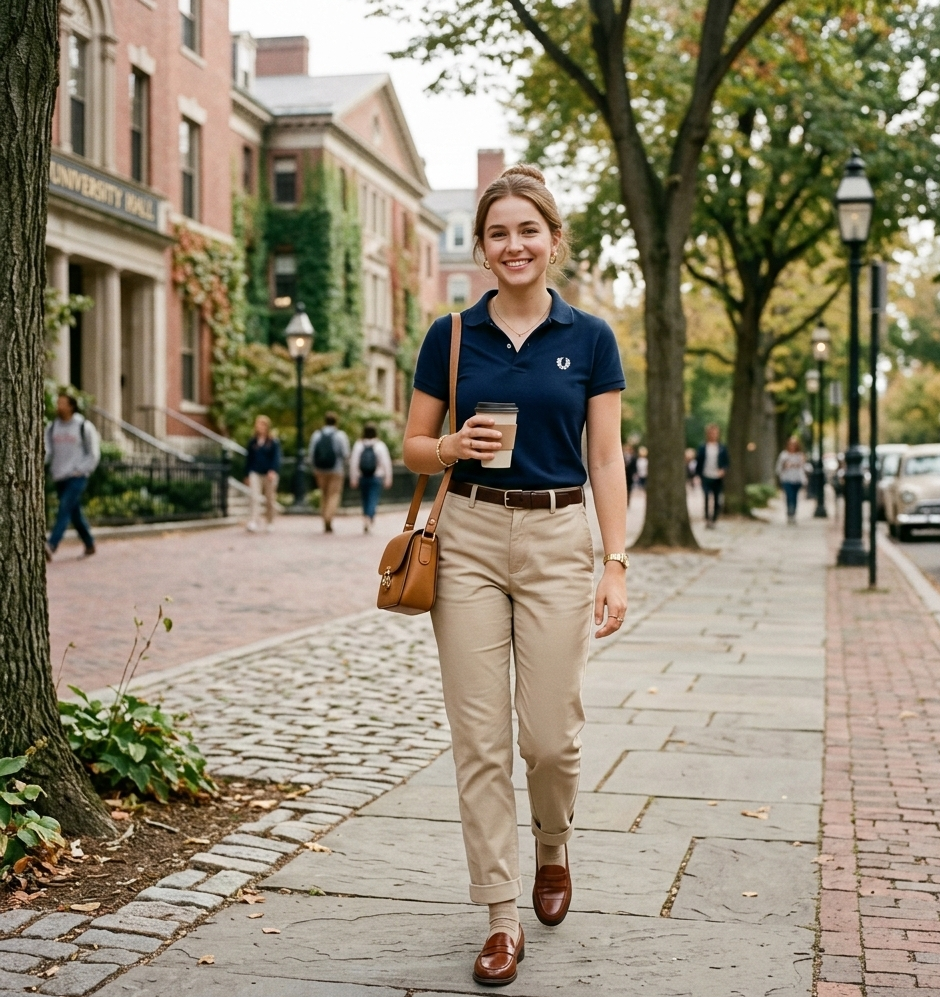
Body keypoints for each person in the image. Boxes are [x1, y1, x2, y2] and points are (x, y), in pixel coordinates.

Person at [403, 163, 628, 987]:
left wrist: (615, 560)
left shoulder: (591, 337)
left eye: (528, 230)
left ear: (552, 239)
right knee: (479, 737)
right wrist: (451, 447)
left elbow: (606, 457)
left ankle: (554, 840)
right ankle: (501, 913)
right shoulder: (451, 335)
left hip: (560, 536)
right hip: (465, 535)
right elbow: (413, 447)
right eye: (498, 232)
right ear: (483, 246)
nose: (514, 244)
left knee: (548, 737)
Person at [45, 392, 100, 560]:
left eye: (62, 403)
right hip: (59, 475)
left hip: (77, 476)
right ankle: (89, 544)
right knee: (73, 512)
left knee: (64, 507)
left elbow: (93, 453)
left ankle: (51, 545)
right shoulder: (52, 427)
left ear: (71, 406)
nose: (58, 406)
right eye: (58, 402)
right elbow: (47, 452)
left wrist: (82, 470)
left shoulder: (84, 426)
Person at [309, 412, 350, 533]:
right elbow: (346, 454)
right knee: (334, 494)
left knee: (324, 494)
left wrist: (315, 468)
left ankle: (324, 517)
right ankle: (328, 518)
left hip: (320, 470)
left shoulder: (316, 435)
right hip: (336, 470)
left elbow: (311, 454)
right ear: (336, 422)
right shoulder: (340, 435)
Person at [349, 424, 393, 533]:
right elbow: (386, 463)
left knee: (364, 498)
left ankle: (365, 516)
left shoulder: (359, 445)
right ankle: (369, 516)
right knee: (373, 498)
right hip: (376, 477)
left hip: (362, 476)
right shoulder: (380, 445)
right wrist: (388, 478)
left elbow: (354, 462)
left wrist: (353, 478)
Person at [244, 415, 281, 533]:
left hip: (269, 474)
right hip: (255, 472)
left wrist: (273, 470)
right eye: (258, 424)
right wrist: (246, 474)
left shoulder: (273, 442)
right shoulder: (253, 442)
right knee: (254, 497)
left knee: (270, 499)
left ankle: (270, 522)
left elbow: (276, 458)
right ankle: (253, 521)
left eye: (262, 424)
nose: (259, 427)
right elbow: (249, 459)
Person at [695, 424, 729, 529]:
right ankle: (707, 519)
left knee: (716, 499)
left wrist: (723, 470)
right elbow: (699, 462)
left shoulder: (722, 448)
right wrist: (697, 475)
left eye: (715, 433)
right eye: (711, 433)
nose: (713, 435)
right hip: (705, 475)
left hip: (717, 477)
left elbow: (726, 462)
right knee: (706, 497)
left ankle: (714, 519)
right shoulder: (703, 447)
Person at [776, 436, 807, 525]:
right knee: (789, 496)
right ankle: (789, 514)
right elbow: (779, 467)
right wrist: (785, 466)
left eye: (794, 444)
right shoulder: (784, 455)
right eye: (791, 444)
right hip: (787, 479)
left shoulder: (800, 455)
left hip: (797, 479)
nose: (792, 446)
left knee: (795, 497)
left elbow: (803, 467)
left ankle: (793, 515)